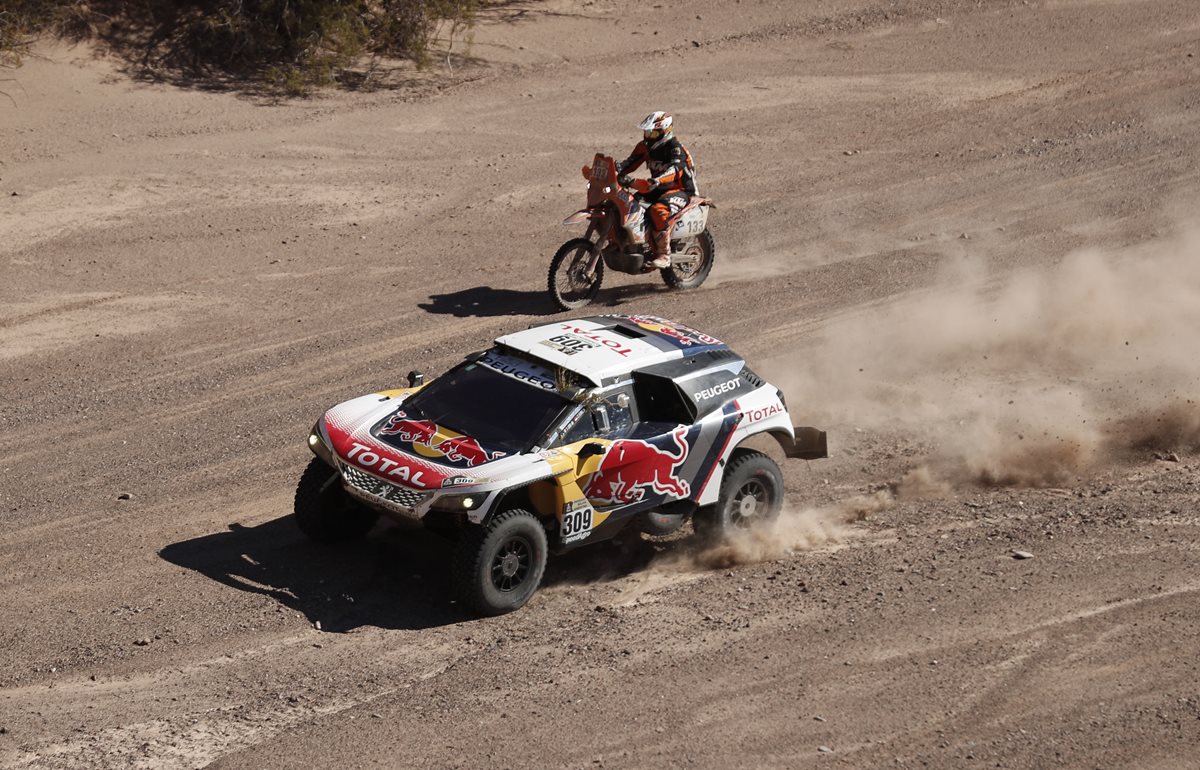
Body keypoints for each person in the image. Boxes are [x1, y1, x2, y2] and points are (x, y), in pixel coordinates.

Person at [616, 111, 697, 269]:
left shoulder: (675, 149)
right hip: (658, 188)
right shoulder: (645, 147)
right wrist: (614, 168)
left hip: (680, 190)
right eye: (647, 132)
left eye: (652, 133)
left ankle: (664, 255)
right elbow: (630, 163)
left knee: (658, 210)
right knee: (630, 204)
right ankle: (636, 243)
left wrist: (658, 179)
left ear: (664, 131)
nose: (648, 136)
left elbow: (675, 170)